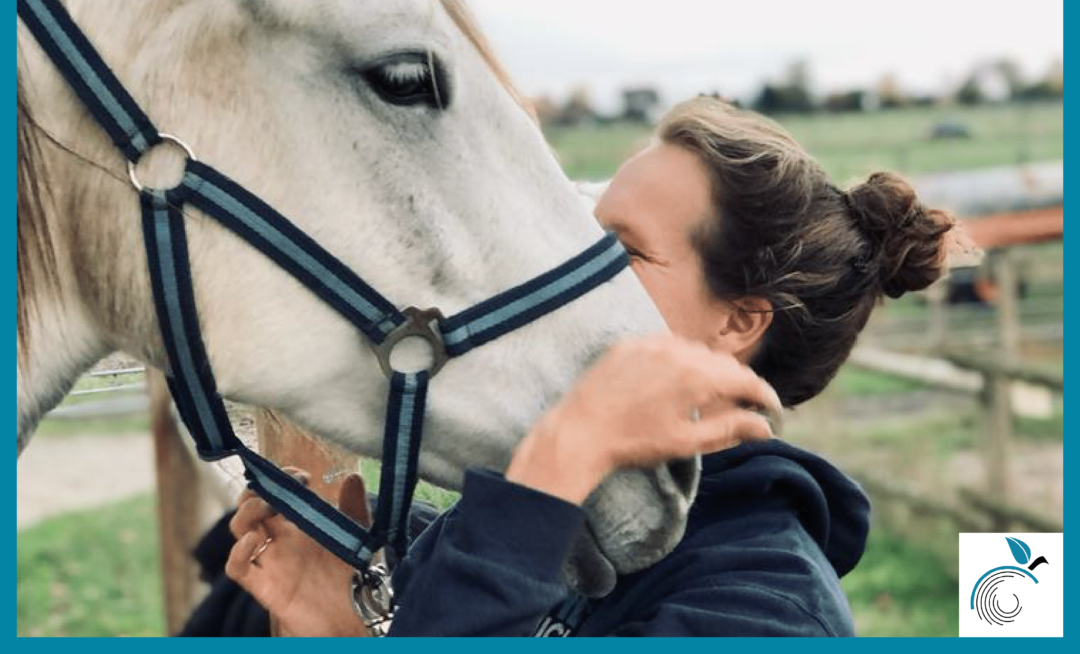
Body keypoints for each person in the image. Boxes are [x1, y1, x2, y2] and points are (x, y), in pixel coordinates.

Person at [220, 96, 971, 636]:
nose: (568, 278)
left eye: (624, 251)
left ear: (738, 322)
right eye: (584, 240)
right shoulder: (505, 527)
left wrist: (557, 459)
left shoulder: (766, 612)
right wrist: (352, 604)